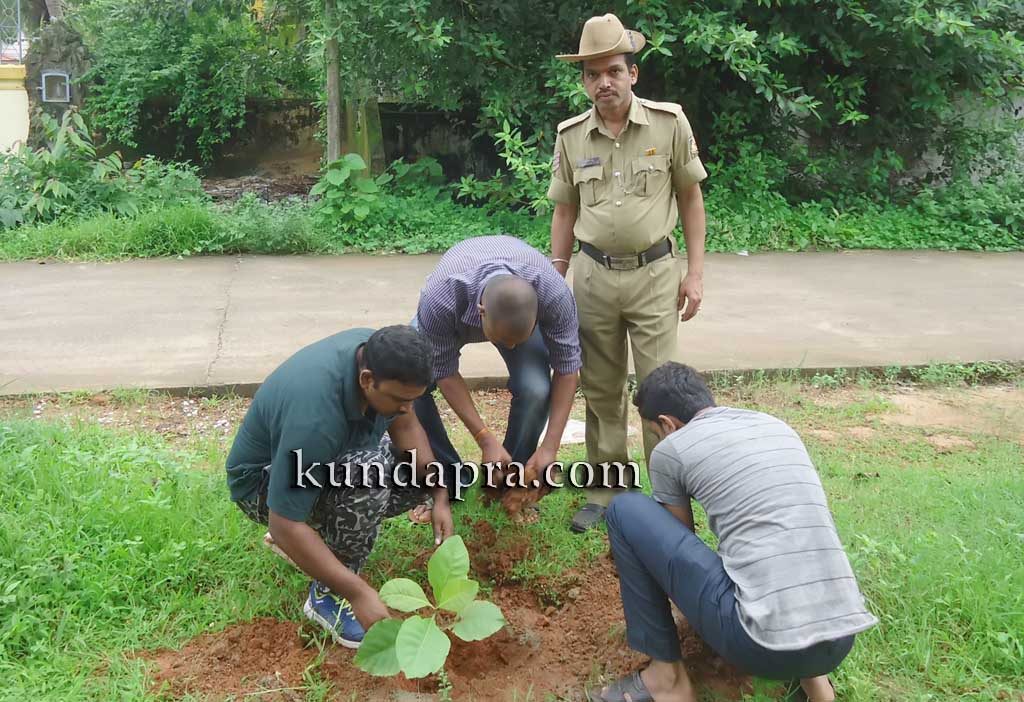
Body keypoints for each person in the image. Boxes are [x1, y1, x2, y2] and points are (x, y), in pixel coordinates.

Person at [589, 362, 877, 702]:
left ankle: (667, 680)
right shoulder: (774, 426)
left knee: (626, 509)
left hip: (759, 646)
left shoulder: (673, 448)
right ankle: (817, 684)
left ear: (667, 424)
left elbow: (675, 552)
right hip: (841, 638)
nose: (660, 439)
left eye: (656, 432)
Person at [548, 14, 709, 532]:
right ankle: (606, 491)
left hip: (655, 275)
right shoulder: (571, 136)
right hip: (593, 278)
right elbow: (565, 212)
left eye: (614, 70)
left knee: (661, 391)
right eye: (593, 74)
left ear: (632, 74)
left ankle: (667, 496)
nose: (605, 82)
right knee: (600, 388)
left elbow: (691, 198)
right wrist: (555, 276)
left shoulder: (669, 124)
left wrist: (695, 274)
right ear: (584, 82)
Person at [225, 326, 454, 648]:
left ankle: (314, 544)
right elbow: (283, 523)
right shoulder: (316, 418)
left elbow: (407, 427)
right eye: (400, 400)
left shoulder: (383, 357)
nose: (406, 407)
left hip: (325, 455)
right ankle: (326, 596)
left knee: (419, 476)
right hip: (262, 482)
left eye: (412, 399)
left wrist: (439, 496)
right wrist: (358, 593)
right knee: (368, 479)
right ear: (366, 380)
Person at [412, 235, 581, 512]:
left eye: (518, 340)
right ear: (481, 313)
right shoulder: (440, 297)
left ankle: (509, 479)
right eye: (504, 340)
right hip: (454, 310)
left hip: (510, 311)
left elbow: (567, 368)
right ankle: (449, 481)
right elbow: (444, 371)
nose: (511, 348)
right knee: (409, 381)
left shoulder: (554, 295)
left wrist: (550, 448)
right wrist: (484, 439)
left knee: (535, 388)